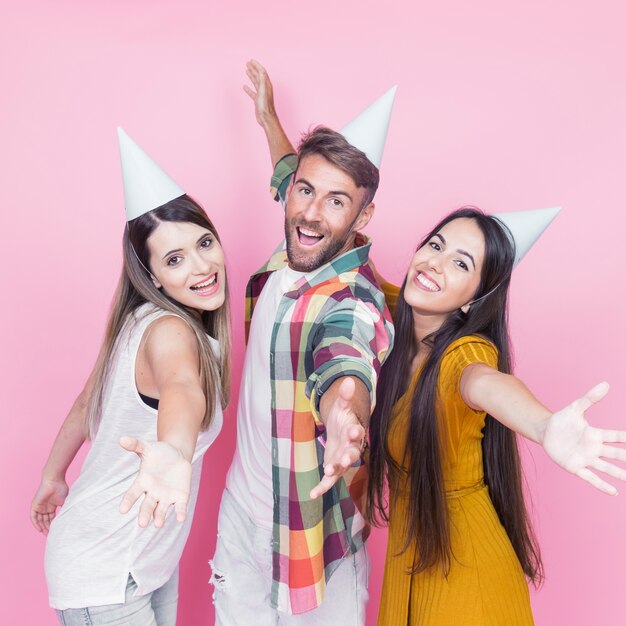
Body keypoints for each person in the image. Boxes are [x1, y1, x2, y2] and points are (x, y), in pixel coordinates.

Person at [366, 207, 626, 625]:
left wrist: (543, 425)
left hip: (468, 575)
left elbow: (484, 382)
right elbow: (347, 253)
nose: (435, 262)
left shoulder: (464, 355)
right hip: (417, 555)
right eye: (435, 245)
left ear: (475, 299)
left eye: (460, 263)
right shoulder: (398, 313)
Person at [208, 62, 395, 623]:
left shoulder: (353, 300)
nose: (312, 211)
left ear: (364, 215)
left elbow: (348, 359)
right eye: (304, 191)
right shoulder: (298, 239)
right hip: (242, 517)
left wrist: (346, 421)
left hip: (314, 539)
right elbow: (291, 170)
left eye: (337, 201)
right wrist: (267, 118)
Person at [30, 128, 231, 626]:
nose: (203, 266)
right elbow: (182, 387)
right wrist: (173, 451)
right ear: (154, 275)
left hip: (141, 563)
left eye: (205, 243)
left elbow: (85, 403)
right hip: (105, 572)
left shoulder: (138, 320)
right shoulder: (170, 331)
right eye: (175, 259)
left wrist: (53, 476)